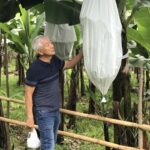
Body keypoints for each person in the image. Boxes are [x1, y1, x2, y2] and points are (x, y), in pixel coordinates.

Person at [25, 35, 83, 150]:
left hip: (56, 110)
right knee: (48, 144)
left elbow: (69, 64)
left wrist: (82, 54)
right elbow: (28, 93)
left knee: (50, 141)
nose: (52, 46)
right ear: (40, 51)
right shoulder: (35, 69)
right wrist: (30, 117)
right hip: (44, 112)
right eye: (47, 45)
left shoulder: (55, 61)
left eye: (51, 43)